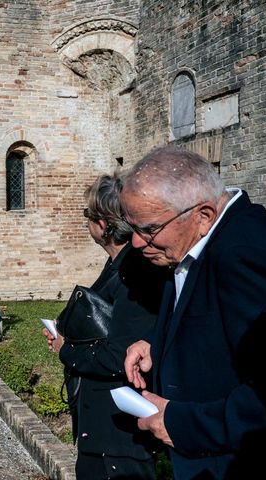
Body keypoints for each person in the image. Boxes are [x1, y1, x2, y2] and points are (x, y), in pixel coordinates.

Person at [120, 146, 266, 479]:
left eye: (147, 229)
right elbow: (214, 322)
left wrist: (182, 423)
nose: (135, 242)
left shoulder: (243, 254)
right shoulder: (197, 240)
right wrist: (155, 343)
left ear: (203, 215)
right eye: (130, 227)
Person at [43, 173, 166, 480]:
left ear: (103, 224)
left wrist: (65, 349)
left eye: (88, 215)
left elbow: (117, 355)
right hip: (101, 425)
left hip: (119, 436)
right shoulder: (118, 263)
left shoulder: (136, 270)